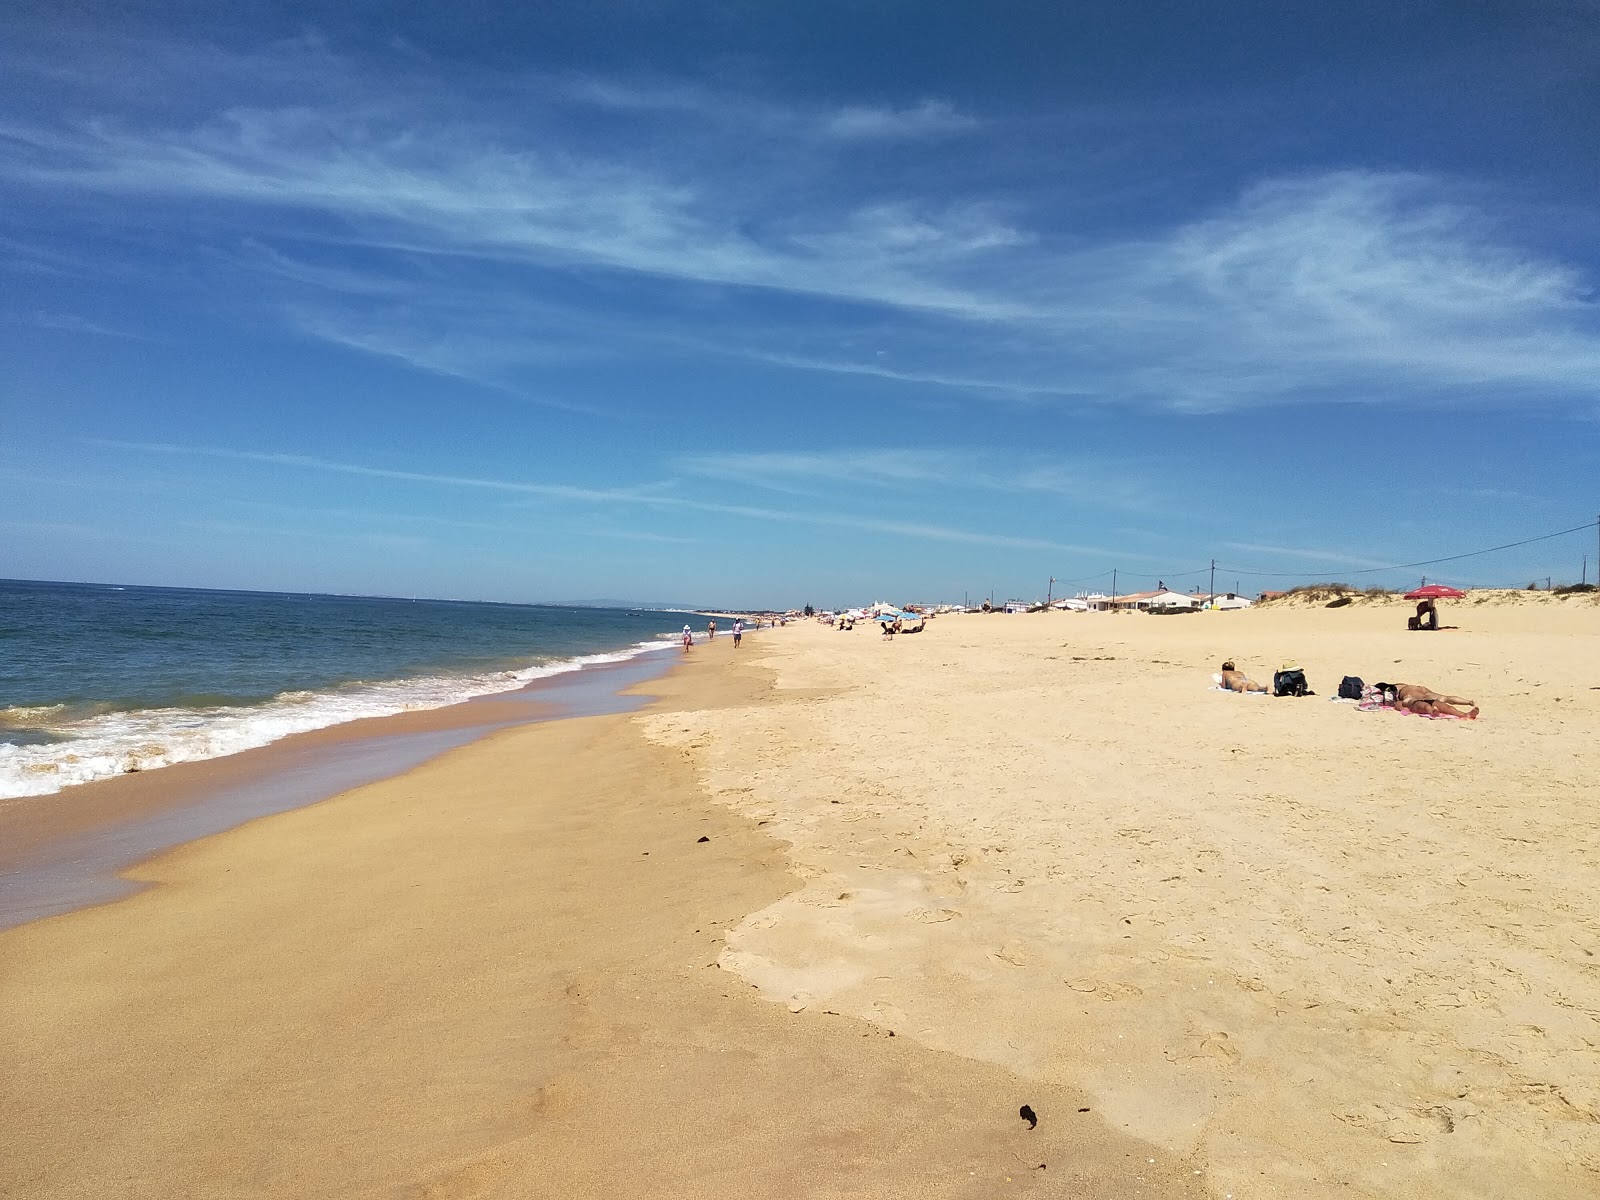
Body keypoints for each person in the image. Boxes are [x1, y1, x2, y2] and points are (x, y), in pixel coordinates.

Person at [1395, 683, 1477, 718]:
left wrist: (1403, 710)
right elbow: (1399, 705)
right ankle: (1468, 702)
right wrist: (1404, 710)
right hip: (1418, 699)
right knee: (1444, 699)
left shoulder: (1403, 694)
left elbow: (1398, 705)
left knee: (1447, 707)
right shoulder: (1406, 698)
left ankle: (1466, 715)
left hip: (1422, 697)